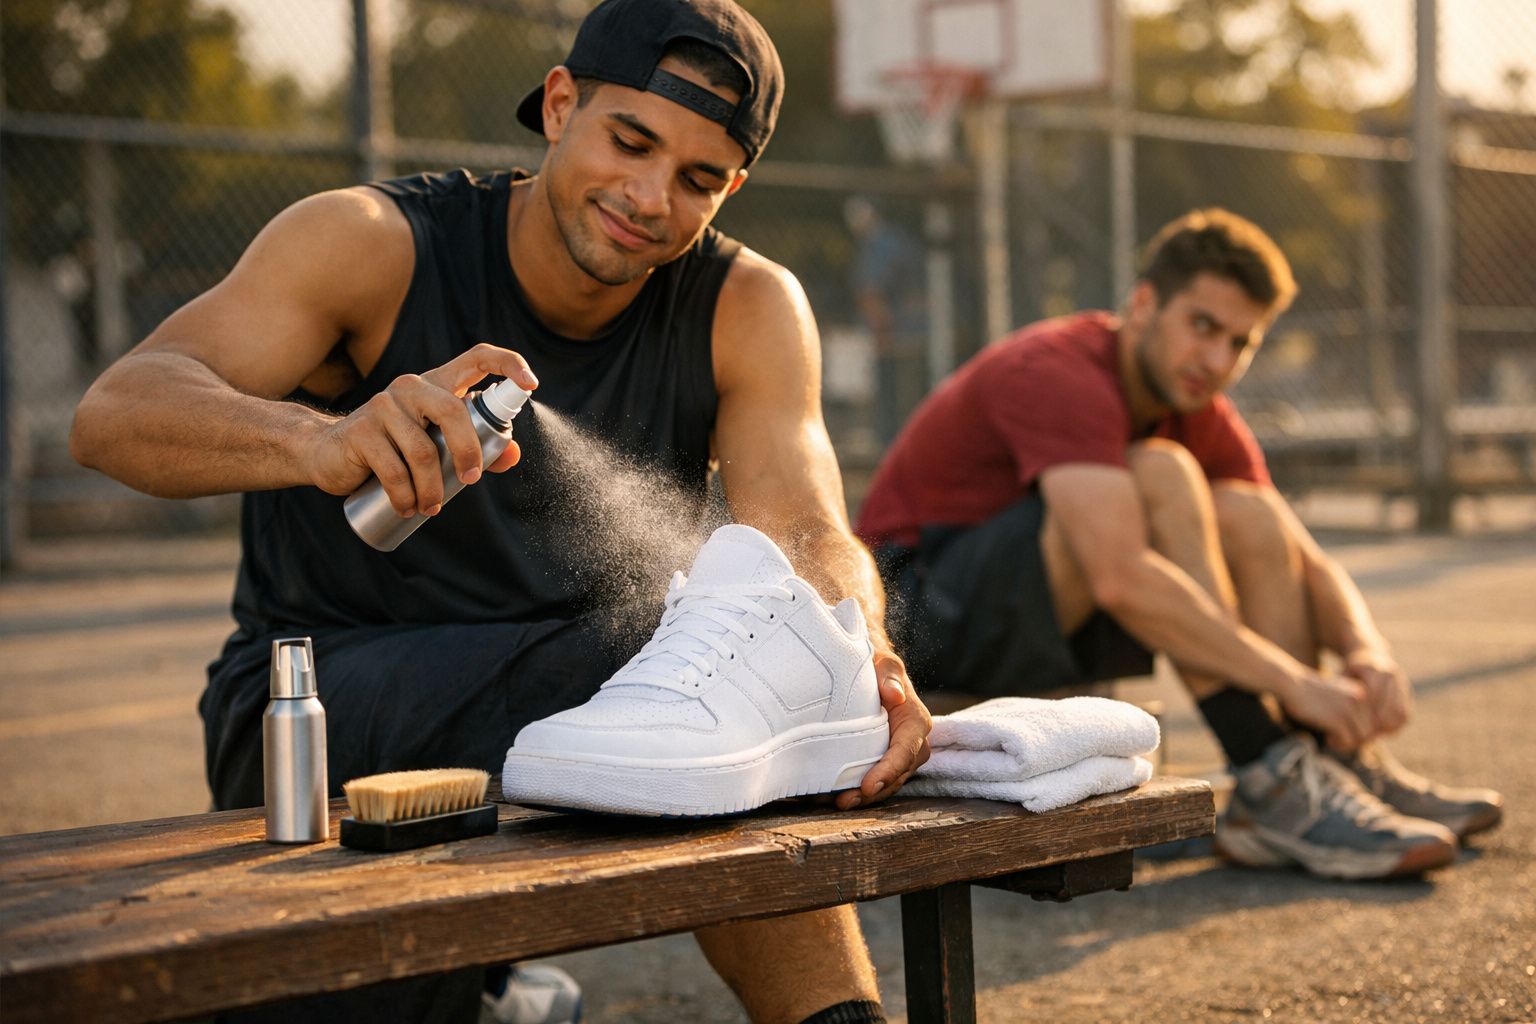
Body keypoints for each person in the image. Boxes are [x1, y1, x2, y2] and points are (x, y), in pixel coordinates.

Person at [69, 1, 930, 1021]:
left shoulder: (745, 304)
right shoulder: (372, 243)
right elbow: (115, 412)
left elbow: (806, 531)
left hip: (570, 712)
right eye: (631, 140)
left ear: (732, 187)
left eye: (699, 178)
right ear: (560, 104)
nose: (651, 197)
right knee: (685, 660)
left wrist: (856, 656)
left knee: (753, 670)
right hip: (316, 707)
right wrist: (321, 441)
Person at [856, 208, 1503, 882]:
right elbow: (1119, 577)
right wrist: (1298, 683)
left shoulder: (1191, 400)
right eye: (1203, 326)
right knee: (1160, 474)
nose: (1218, 360)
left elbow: (1298, 550)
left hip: (1018, 604)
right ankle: (1268, 768)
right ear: (1144, 305)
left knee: (1247, 510)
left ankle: (1319, 766)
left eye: (1240, 343)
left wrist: (1366, 652)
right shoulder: (1058, 368)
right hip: (914, 619)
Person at [843, 196, 928, 447]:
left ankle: (892, 443)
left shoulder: (880, 244)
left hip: (896, 334)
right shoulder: (890, 240)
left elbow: (871, 294)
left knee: (895, 395)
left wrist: (881, 330)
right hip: (905, 332)